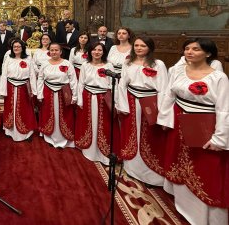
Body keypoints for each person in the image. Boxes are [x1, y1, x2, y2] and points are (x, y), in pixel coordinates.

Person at [157, 38, 228, 225]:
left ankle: (202, 211)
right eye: (187, 49)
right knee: (178, 158)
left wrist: (220, 138)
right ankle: (181, 199)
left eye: (195, 49)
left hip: (203, 124)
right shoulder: (179, 72)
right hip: (180, 120)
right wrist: (165, 118)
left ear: (208, 53)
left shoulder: (218, 77)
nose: (189, 52)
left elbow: (223, 109)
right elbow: (168, 95)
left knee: (203, 165)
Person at [116, 36, 167, 186]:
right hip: (131, 99)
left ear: (149, 48)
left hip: (150, 101)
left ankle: (151, 175)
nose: (138, 48)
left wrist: (162, 111)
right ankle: (132, 168)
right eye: (137, 45)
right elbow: (122, 84)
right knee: (131, 132)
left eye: (143, 46)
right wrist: (123, 105)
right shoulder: (128, 62)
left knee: (150, 136)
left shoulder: (158, 64)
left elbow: (164, 88)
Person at [75, 42, 118, 165]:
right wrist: (80, 100)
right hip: (88, 96)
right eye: (94, 49)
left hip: (104, 98)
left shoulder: (109, 65)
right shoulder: (85, 65)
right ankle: (89, 149)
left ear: (103, 52)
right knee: (89, 122)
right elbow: (81, 83)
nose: (97, 52)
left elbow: (113, 84)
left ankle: (103, 152)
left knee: (104, 124)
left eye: (100, 50)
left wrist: (114, 101)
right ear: (90, 51)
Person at [38, 42, 78, 148]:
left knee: (65, 114)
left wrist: (74, 95)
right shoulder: (45, 64)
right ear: (49, 52)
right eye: (51, 50)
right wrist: (40, 93)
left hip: (64, 92)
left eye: (56, 50)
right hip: (48, 91)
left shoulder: (67, 63)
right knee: (48, 113)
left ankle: (63, 138)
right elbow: (40, 78)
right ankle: (50, 137)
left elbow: (73, 80)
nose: (54, 52)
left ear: (61, 52)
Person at [0, 39, 37, 142]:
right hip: (10, 86)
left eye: (18, 47)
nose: (16, 48)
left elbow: (32, 75)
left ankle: (26, 132)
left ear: (22, 48)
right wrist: (2, 91)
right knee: (10, 108)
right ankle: (9, 131)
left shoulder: (28, 60)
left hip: (24, 87)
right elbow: (4, 75)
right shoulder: (8, 59)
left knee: (25, 109)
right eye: (14, 47)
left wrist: (34, 90)